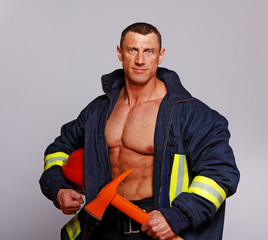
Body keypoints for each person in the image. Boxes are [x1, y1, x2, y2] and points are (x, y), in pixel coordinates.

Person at [39, 22, 240, 240]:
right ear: (120, 52)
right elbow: (58, 150)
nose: (140, 60)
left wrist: (178, 216)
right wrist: (58, 189)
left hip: (157, 228)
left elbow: (220, 173)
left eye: (149, 51)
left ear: (160, 55)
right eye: (132, 50)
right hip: (105, 229)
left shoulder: (191, 115)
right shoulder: (99, 110)